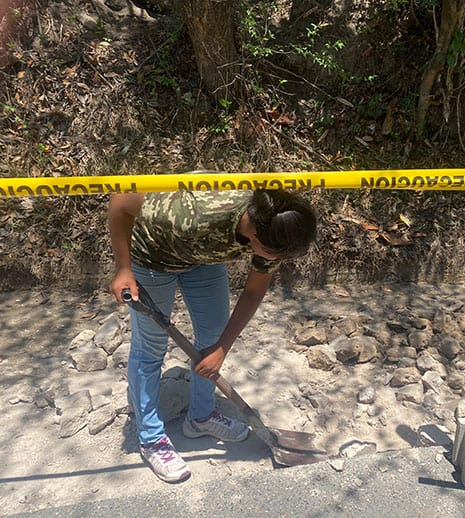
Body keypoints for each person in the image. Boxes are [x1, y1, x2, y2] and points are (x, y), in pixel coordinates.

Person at [108, 189, 317, 482]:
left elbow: (255, 290)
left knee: (212, 337)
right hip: (154, 256)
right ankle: (151, 438)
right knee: (150, 348)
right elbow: (121, 200)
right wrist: (123, 269)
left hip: (203, 260)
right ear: (254, 234)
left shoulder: (276, 227)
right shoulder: (191, 214)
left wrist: (222, 348)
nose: (277, 260)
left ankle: (201, 417)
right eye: (274, 255)